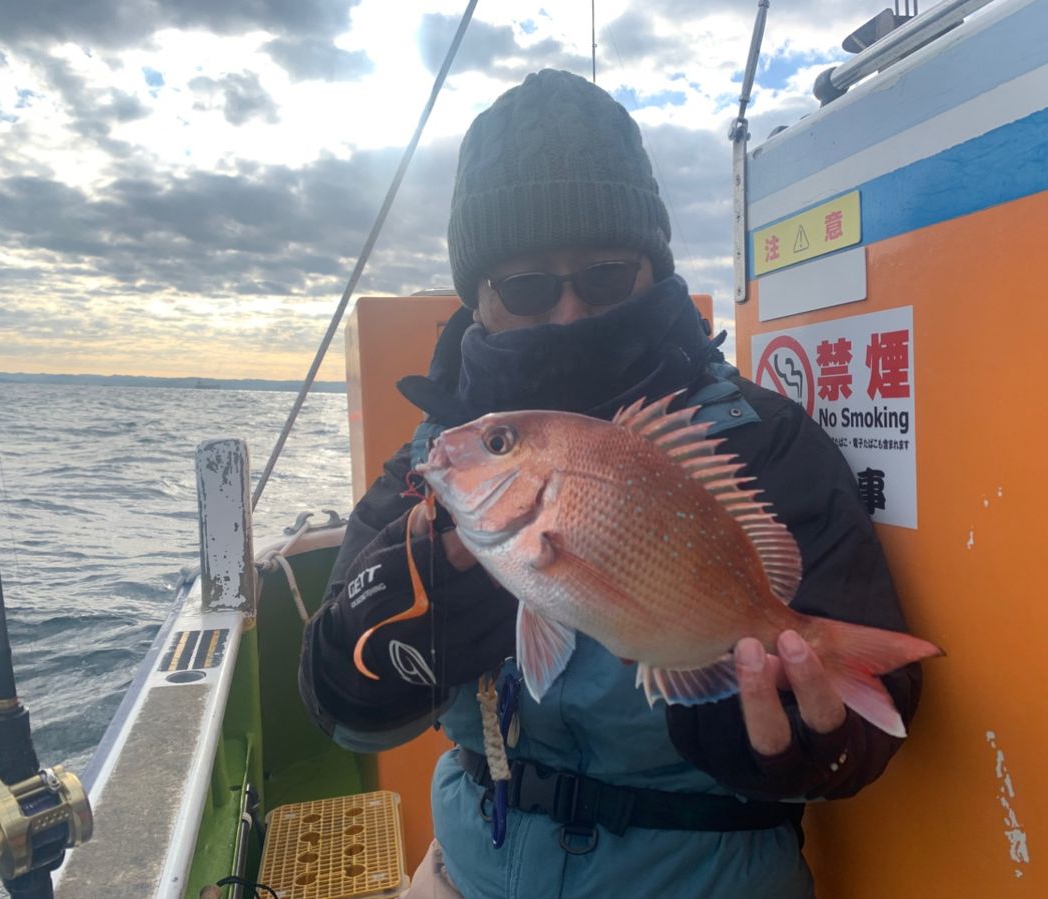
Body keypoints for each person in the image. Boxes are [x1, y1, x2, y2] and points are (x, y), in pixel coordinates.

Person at [299, 69, 921, 899]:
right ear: (477, 298)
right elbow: (339, 708)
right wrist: (370, 644)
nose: (569, 314)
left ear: (651, 268)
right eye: (526, 287)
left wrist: (790, 745)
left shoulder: (763, 442)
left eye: (602, 277)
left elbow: (879, 713)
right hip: (470, 870)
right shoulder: (435, 465)